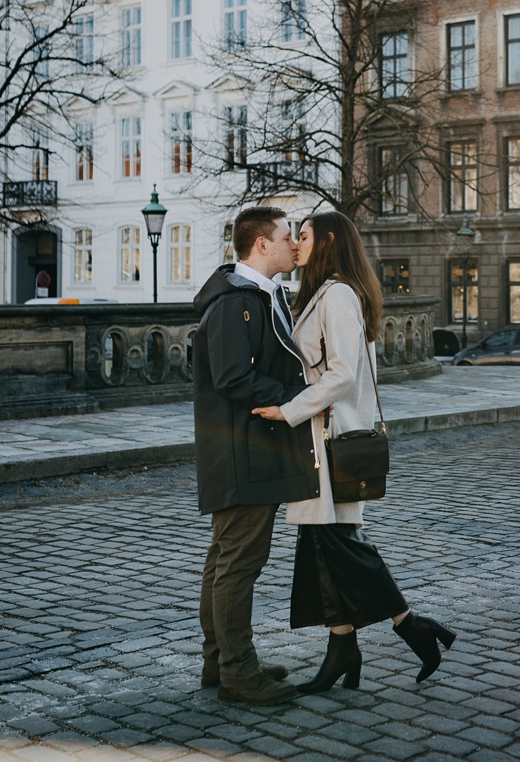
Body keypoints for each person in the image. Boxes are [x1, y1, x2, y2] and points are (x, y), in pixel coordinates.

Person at [252, 210, 455, 694]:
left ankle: (411, 626)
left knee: (336, 543)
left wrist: (289, 410)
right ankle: (344, 648)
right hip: (322, 441)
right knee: (324, 547)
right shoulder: (324, 293)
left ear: (326, 241)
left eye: (303, 236)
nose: (296, 244)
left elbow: (342, 374)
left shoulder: (339, 294)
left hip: (332, 441)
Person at [193, 206, 316, 705]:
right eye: (288, 235)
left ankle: (221, 663)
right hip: (241, 450)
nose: (295, 244)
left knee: (226, 559)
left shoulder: (263, 296)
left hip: (247, 446)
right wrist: (297, 394)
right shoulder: (233, 303)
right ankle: (238, 674)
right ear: (261, 245)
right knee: (238, 563)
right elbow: (232, 378)